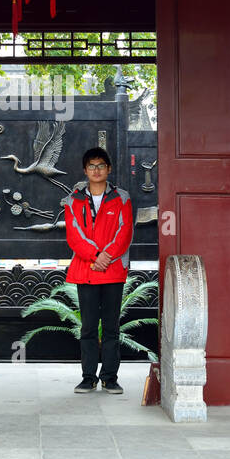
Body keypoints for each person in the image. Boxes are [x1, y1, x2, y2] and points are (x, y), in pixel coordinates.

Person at [61, 147, 133, 394]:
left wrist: (106, 256)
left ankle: (110, 377)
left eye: (101, 165)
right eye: (91, 166)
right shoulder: (73, 200)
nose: (96, 170)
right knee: (89, 327)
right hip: (87, 270)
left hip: (112, 271)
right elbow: (74, 235)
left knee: (112, 327)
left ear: (108, 169)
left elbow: (124, 233)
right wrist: (95, 256)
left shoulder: (122, 198)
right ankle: (88, 377)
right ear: (85, 170)